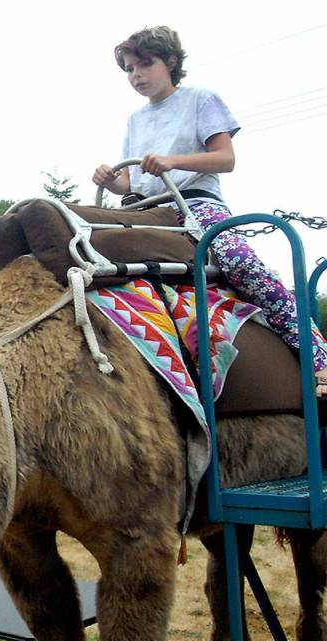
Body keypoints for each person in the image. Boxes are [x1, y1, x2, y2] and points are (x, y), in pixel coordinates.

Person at [92, 25, 327, 395]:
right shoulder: (135, 120)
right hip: (149, 211)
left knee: (240, 263)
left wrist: (173, 161)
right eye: (129, 69)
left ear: (170, 62)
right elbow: (134, 183)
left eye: (145, 64)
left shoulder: (200, 99)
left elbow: (225, 158)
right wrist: (110, 179)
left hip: (196, 204)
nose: (136, 75)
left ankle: (319, 358)